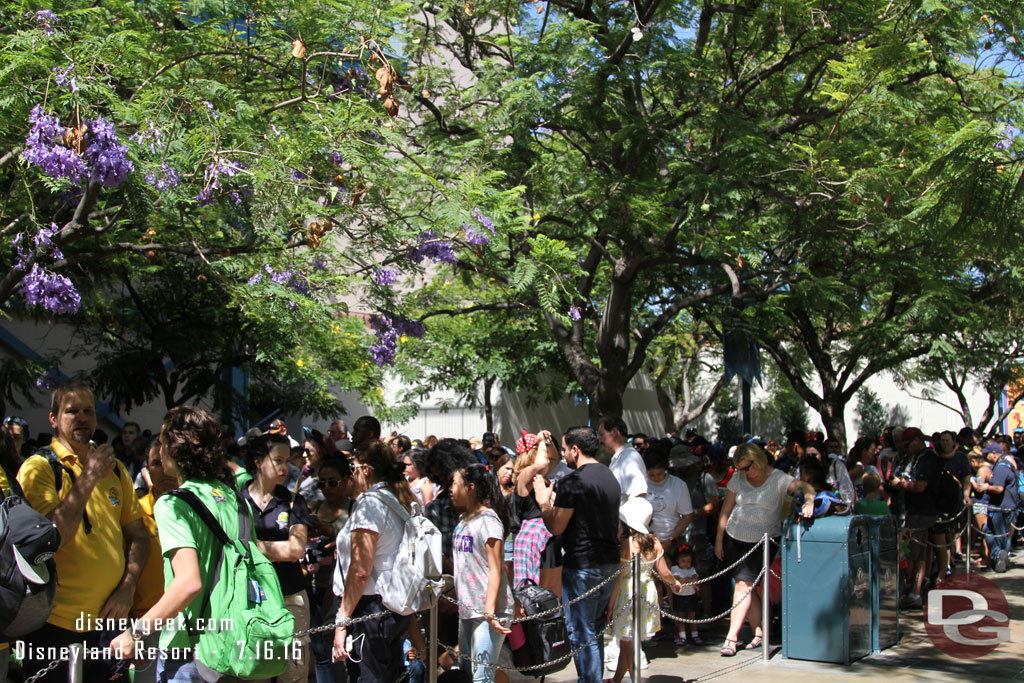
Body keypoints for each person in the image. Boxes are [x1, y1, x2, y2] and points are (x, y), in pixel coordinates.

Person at [17, 382, 149, 683]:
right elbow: (49, 538)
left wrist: (128, 587)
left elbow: (138, 535)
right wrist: (88, 479)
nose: (81, 418)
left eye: (88, 411)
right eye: (71, 411)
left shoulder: (114, 468)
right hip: (53, 625)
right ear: (53, 419)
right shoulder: (38, 469)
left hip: (108, 626)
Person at [107, 406, 241, 682]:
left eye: (163, 439)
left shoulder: (172, 503)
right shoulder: (232, 496)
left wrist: (136, 633)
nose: (159, 446)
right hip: (237, 644)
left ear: (174, 449)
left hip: (190, 653)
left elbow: (188, 583)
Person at [534, 426, 620, 683]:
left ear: (575, 449)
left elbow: (556, 526)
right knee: (594, 632)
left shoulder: (573, 481)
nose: (562, 454)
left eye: (563, 449)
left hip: (583, 566)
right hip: (609, 564)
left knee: (583, 634)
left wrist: (543, 502)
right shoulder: (609, 476)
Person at [715, 443, 814, 657]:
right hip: (734, 536)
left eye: (746, 467)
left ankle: (731, 637)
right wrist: (719, 540)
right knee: (748, 586)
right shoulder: (738, 478)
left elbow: (806, 487)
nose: (743, 473)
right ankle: (757, 630)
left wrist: (809, 501)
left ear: (758, 461)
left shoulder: (778, 478)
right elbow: (725, 510)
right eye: (739, 469)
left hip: (763, 540)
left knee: (743, 585)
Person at [332, 439, 419, 682]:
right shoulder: (399, 500)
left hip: (370, 609)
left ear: (366, 470)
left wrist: (342, 621)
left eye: (354, 467)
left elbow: (360, 571)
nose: (352, 473)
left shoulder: (370, 505)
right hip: (392, 608)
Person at [240, 433, 312, 683]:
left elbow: (295, 549)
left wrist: (250, 547)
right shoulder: (236, 501)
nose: (284, 468)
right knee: (254, 673)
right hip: (249, 600)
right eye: (277, 460)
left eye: (287, 461)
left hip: (289, 596)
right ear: (258, 461)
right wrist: (275, 549)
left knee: (293, 673)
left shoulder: (294, 502)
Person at [606, 497, 680, 683]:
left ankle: (635, 679)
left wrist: (610, 605)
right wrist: (673, 583)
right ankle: (617, 679)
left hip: (627, 594)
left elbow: (619, 578)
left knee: (627, 643)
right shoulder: (654, 542)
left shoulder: (626, 543)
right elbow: (663, 571)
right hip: (647, 592)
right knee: (629, 642)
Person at [451, 464, 513, 682]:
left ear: (470, 488)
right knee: (467, 672)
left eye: (454, 483)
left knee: (481, 677)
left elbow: (496, 568)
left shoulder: (489, 521)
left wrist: (489, 612)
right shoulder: (462, 521)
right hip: (467, 609)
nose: (450, 489)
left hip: (489, 612)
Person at [130, 436, 177, 683]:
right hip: (145, 622)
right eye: (156, 463)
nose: (164, 469)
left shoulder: (199, 509)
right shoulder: (134, 512)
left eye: (170, 460)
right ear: (148, 469)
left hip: (189, 624)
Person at [308, 456, 357, 683]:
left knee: (341, 648)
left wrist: (334, 534)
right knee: (319, 647)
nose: (327, 488)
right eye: (322, 483)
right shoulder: (316, 508)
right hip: (313, 583)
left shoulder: (354, 509)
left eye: (333, 482)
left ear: (347, 480)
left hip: (340, 589)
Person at [888, 427, 939, 609]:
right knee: (910, 554)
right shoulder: (910, 457)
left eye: (907, 444)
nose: (905, 447)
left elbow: (921, 486)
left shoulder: (927, 458)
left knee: (917, 555)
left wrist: (900, 483)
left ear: (917, 441)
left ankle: (915, 592)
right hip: (907, 512)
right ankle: (911, 589)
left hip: (921, 513)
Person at [980, 441, 1018, 572]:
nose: (985, 457)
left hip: (1000, 507)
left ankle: (998, 556)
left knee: (994, 533)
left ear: (994, 454)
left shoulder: (1000, 468)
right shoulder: (1007, 464)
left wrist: (987, 486)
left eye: (987, 454)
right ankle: (1002, 557)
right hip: (1008, 506)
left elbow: (999, 488)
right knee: (1002, 534)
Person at [597, 416, 647, 503]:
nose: (600, 440)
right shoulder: (620, 458)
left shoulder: (629, 457)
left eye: (602, 435)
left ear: (615, 432)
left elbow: (639, 496)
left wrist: (621, 517)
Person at [669, 546, 702, 645]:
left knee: (692, 616)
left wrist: (686, 580)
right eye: (683, 561)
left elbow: (695, 579)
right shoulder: (674, 569)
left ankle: (695, 635)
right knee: (680, 617)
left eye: (688, 561)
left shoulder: (692, 569)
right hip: (679, 596)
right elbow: (677, 579)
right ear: (677, 560)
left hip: (690, 595)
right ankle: (682, 636)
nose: (686, 564)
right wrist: (689, 580)